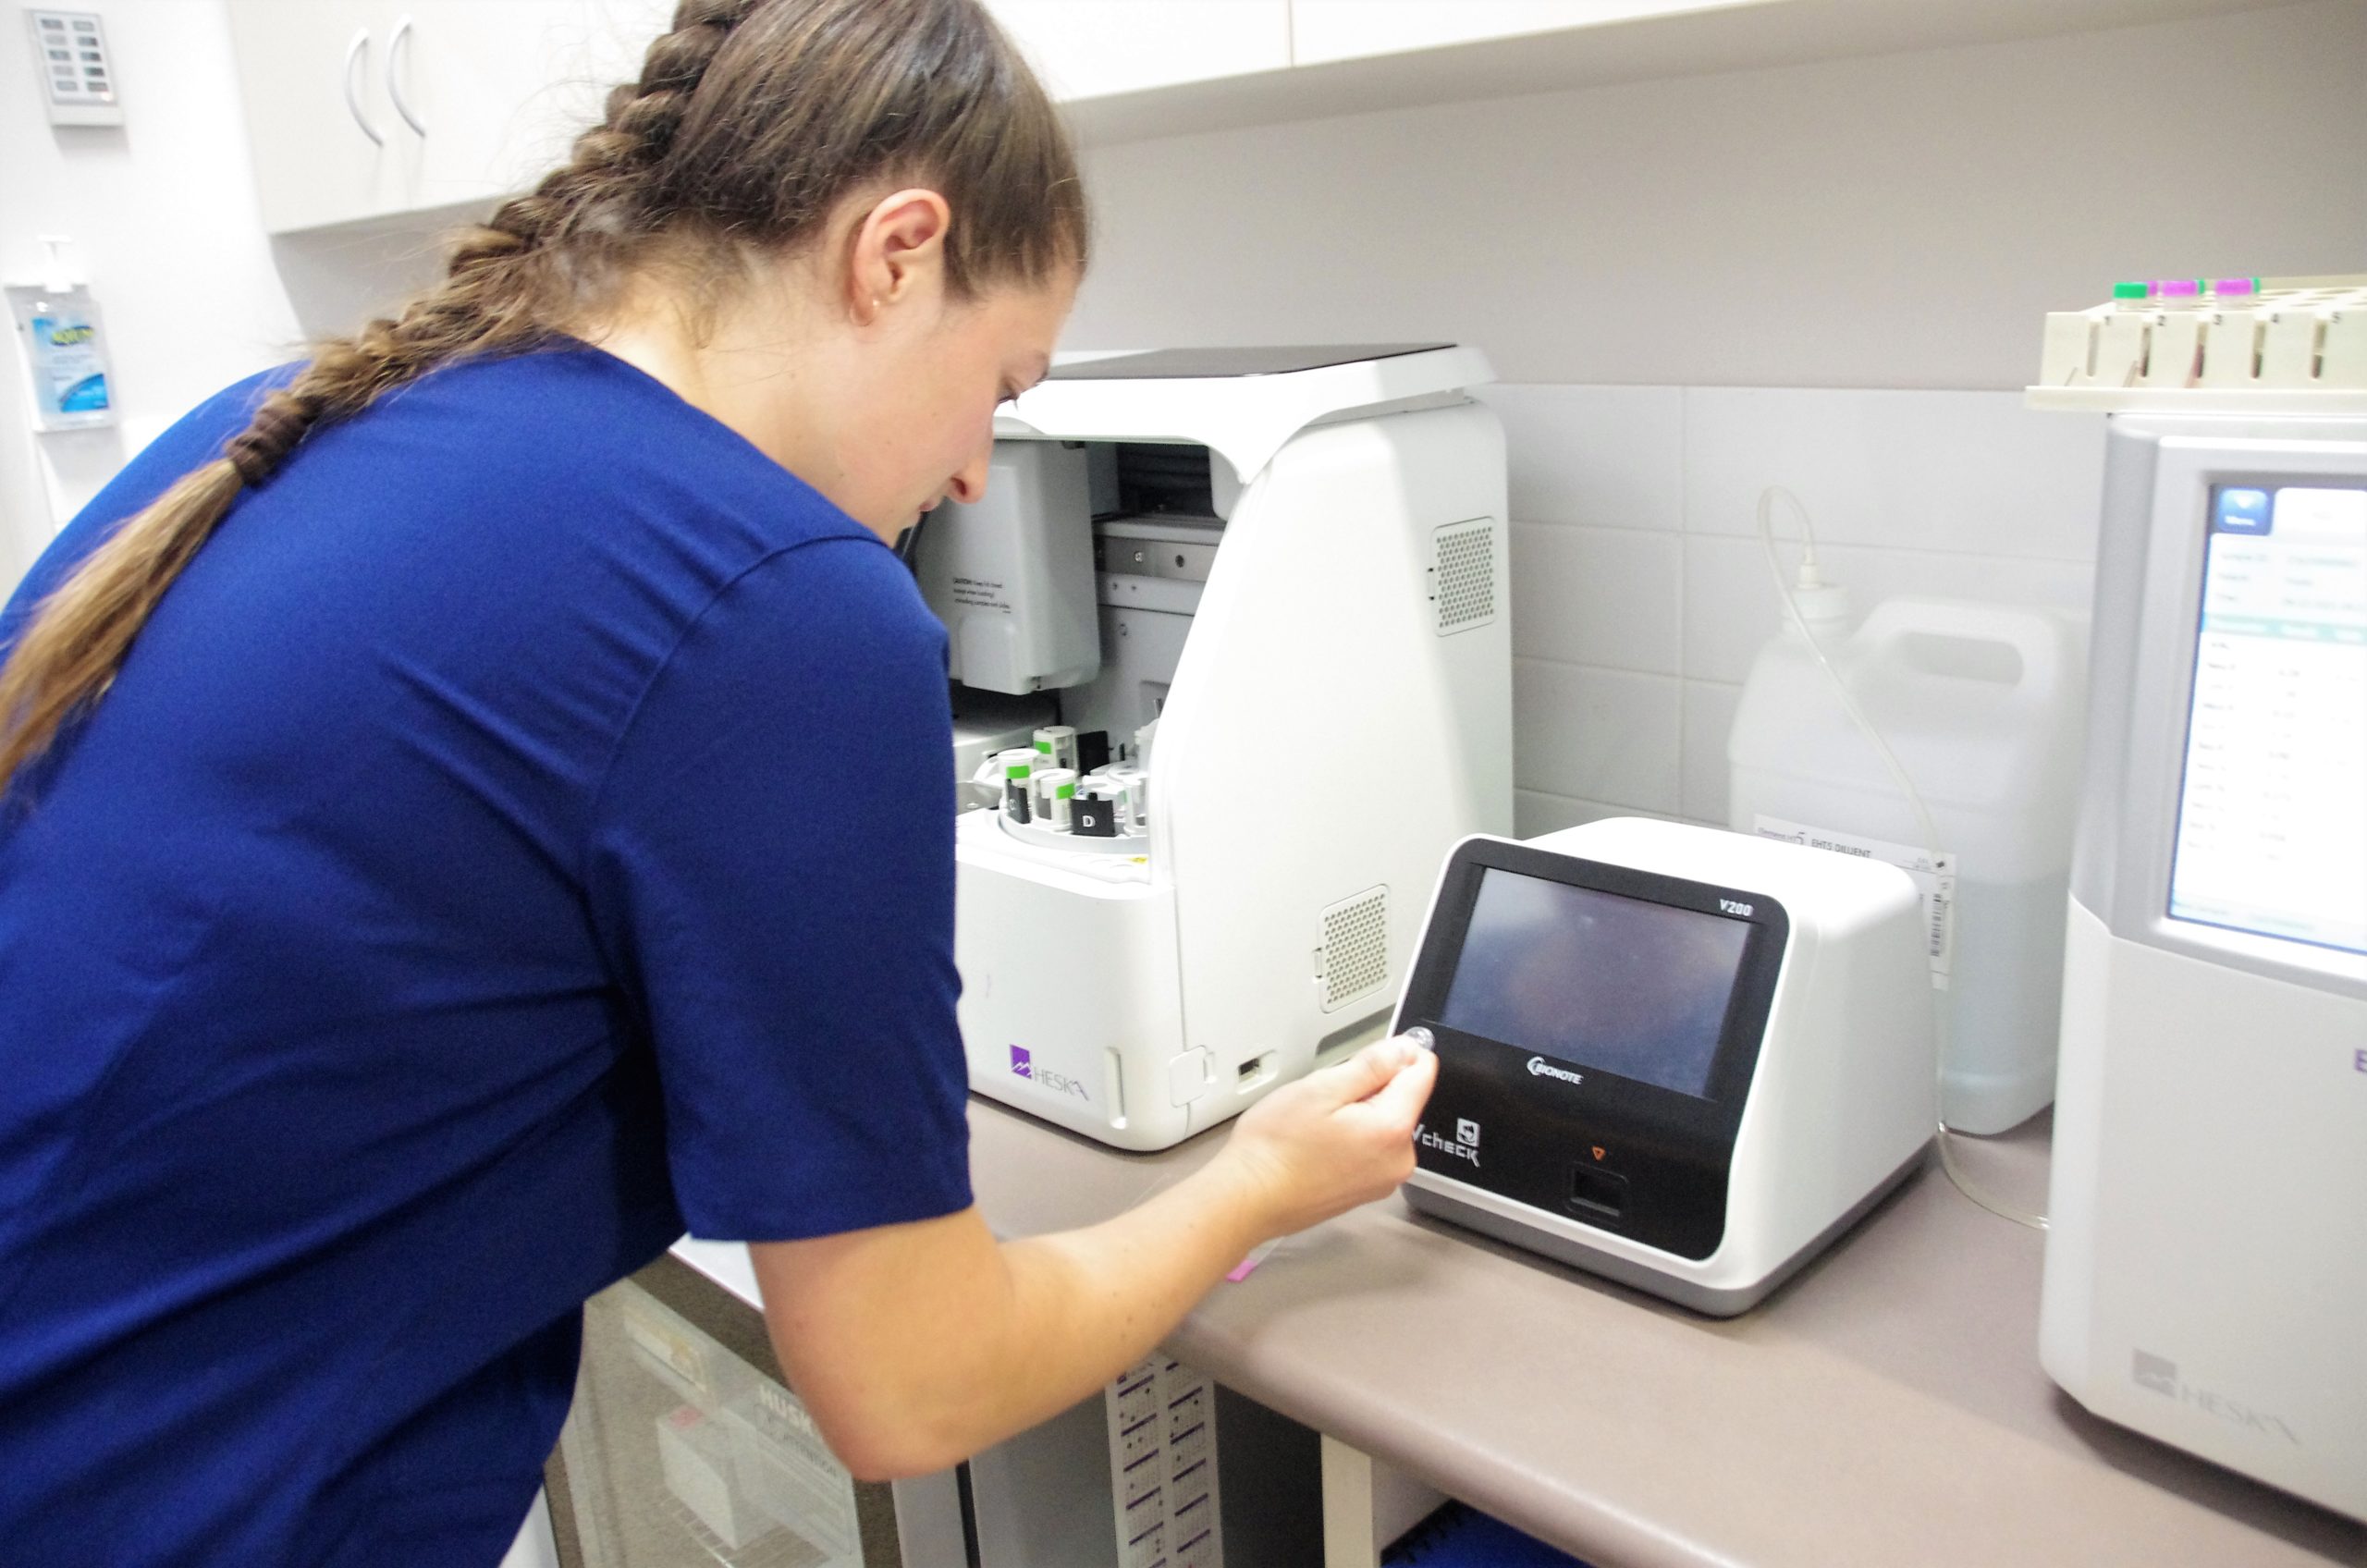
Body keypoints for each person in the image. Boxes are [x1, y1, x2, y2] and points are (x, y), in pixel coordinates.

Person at [0, 0, 1437, 1561]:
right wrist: (1254, 1188)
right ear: (896, 253)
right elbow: (917, 1385)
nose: (975, 470)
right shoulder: (781, 599)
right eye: (1007, 386)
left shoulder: (275, 423)